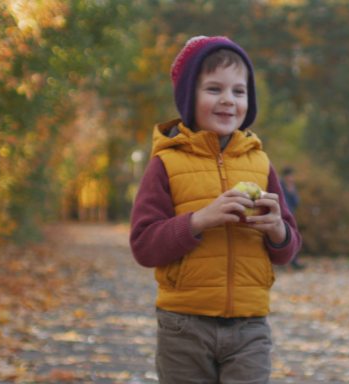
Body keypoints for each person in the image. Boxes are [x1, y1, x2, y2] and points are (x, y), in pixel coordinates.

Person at [129, 35, 302, 384]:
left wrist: (277, 231)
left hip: (250, 325)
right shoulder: (166, 163)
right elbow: (144, 245)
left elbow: (288, 248)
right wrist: (199, 221)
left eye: (239, 92)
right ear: (188, 97)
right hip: (184, 324)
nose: (228, 100)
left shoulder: (260, 163)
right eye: (214, 89)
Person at [280, 166, 305, 270]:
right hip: (281, 215)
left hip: (291, 216)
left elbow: (296, 202)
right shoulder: (280, 185)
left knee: (293, 237)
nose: (291, 178)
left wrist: (291, 190)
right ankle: (285, 262)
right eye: (290, 176)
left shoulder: (291, 187)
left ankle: (294, 261)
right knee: (283, 238)